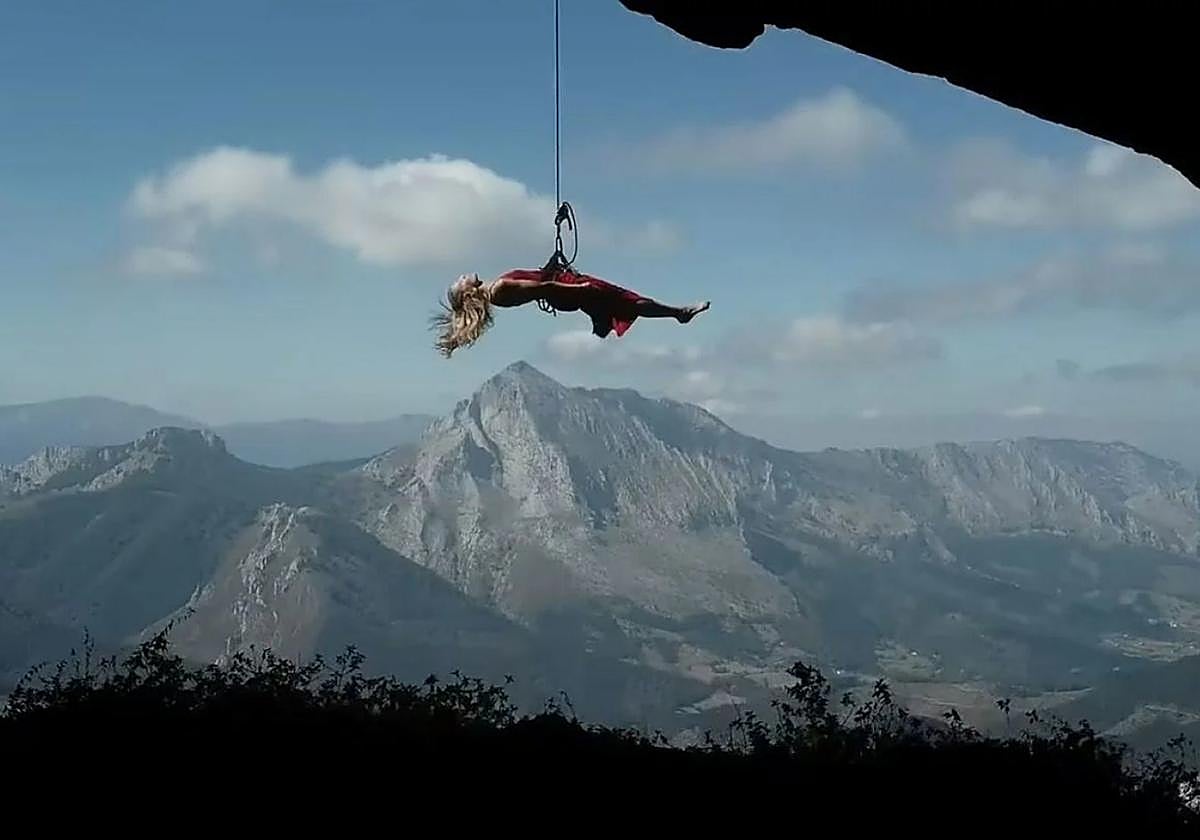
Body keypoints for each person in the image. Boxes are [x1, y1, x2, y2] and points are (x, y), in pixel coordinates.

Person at [430, 265, 710, 357]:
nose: (462, 275)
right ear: (467, 292)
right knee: (625, 300)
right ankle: (679, 313)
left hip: (562, 287)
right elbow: (544, 288)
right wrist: (579, 288)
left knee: (621, 302)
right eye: (459, 281)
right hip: (566, 288)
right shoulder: (500, 289)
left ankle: (601, 320)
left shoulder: (497, 291)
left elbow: (538, 281)